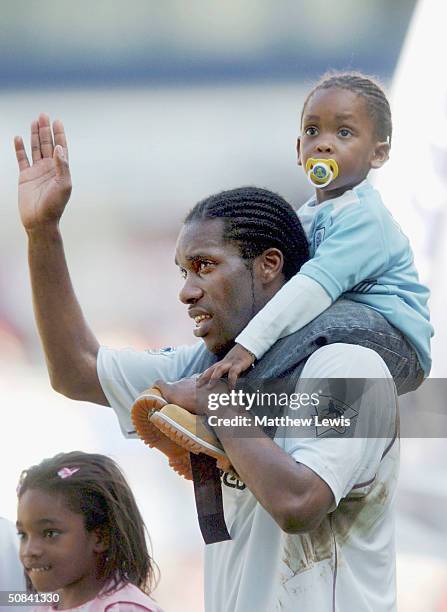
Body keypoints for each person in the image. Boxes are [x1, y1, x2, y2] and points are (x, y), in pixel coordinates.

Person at [15, 118, 399, 611]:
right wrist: (42, 232)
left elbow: (299, 504)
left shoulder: (346, 365)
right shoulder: (211, 363)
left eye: (205, 266)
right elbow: (76, 370)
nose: (186, 290)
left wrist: (218, 406)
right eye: (182, 270)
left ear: (269, 264)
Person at [198, 71, 433, 389]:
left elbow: (309, 291)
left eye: (344, 132)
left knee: (319, 316)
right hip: (339, 325)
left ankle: (225, 394)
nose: (324, 144)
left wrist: (247, 348)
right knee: (262, 317)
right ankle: (199, 387)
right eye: (312, 131)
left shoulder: (365, 219)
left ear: (378, 153)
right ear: (299, 150)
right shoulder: (305, 218)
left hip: (395, 341)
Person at [16, 451, 162, 612]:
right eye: (23, 535)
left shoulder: (124, 608)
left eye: (50, 533)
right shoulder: (44, 607)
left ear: (100, 538)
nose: (30, 550)